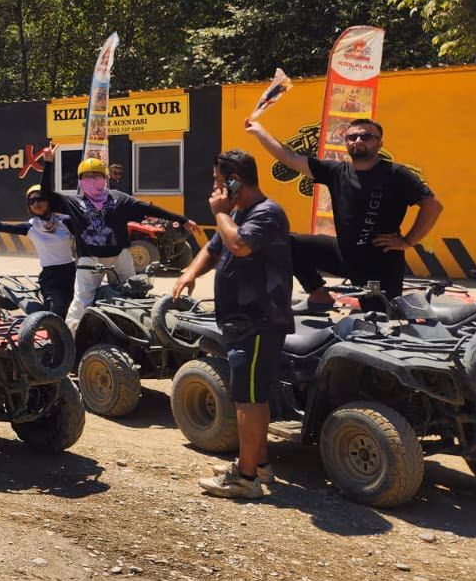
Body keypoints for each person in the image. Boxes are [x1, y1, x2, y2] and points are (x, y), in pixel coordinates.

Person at [171, 150, 294, 499]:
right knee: (253, 397)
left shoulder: (266, 213)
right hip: (242, 321)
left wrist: (221, 213)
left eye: (218, 181)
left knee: (248, 401)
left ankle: (245, 478)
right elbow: (214, 249)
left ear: (235, 180)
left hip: (259, 320)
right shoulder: (238, 212)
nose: (215, 189)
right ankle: (259, 463)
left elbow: (239, 245)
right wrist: (190, 272)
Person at [244, 117, 441, 307]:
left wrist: (408, 241)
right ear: (346, 143)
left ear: (379, 143)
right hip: (344, 254)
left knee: (379, 319)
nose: (358, 140)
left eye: (366, 136)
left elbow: (432, 205)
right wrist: (259, 131)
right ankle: (318, 295)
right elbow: (289, 158)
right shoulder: (336, 172)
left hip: (380, 264)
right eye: (352, 137)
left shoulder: (395, 173)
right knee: (288, 243)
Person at [39, 148, 192, 329]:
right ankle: (71, 339)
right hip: (89, 260)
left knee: (133, 296)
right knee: (81, 303)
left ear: (105, 178)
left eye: (96, 175)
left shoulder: (119, 198)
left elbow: (148, 208)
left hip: (120, 256)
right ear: (80, 180)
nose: (91, 179)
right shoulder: (73, 202)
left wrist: (182, 220)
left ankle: (130, 333)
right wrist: (48, 163)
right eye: (86, 176)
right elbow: (46, 196)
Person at [0, 185, 78, 320]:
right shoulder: (31, 227)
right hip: (50, 276)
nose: (36, 203)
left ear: (49, 201)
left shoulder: (65, 221)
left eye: (40, 199)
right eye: (32, 201)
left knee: (76, 308)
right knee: (57, 310)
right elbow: (1, 227)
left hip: (71, 272)